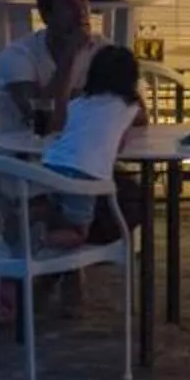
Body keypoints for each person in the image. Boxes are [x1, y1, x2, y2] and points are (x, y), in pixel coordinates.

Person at [34, 43, 144, 250]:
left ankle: (33, 225)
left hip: (51, 164)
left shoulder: (78, 103)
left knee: (56, 212)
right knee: (79, 231)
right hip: (85, 171)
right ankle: (39, 242)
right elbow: (126, 137)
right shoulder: (127, 106)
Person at [0, 0, 98, 137]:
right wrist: (71, 54)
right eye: (68, 4)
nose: (80, 11)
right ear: (46, 15)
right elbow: (44, 122)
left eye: (83, 0)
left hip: (81, 156)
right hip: (22, 159)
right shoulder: (17, 55)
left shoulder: (103, 50)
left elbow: (137, 114)